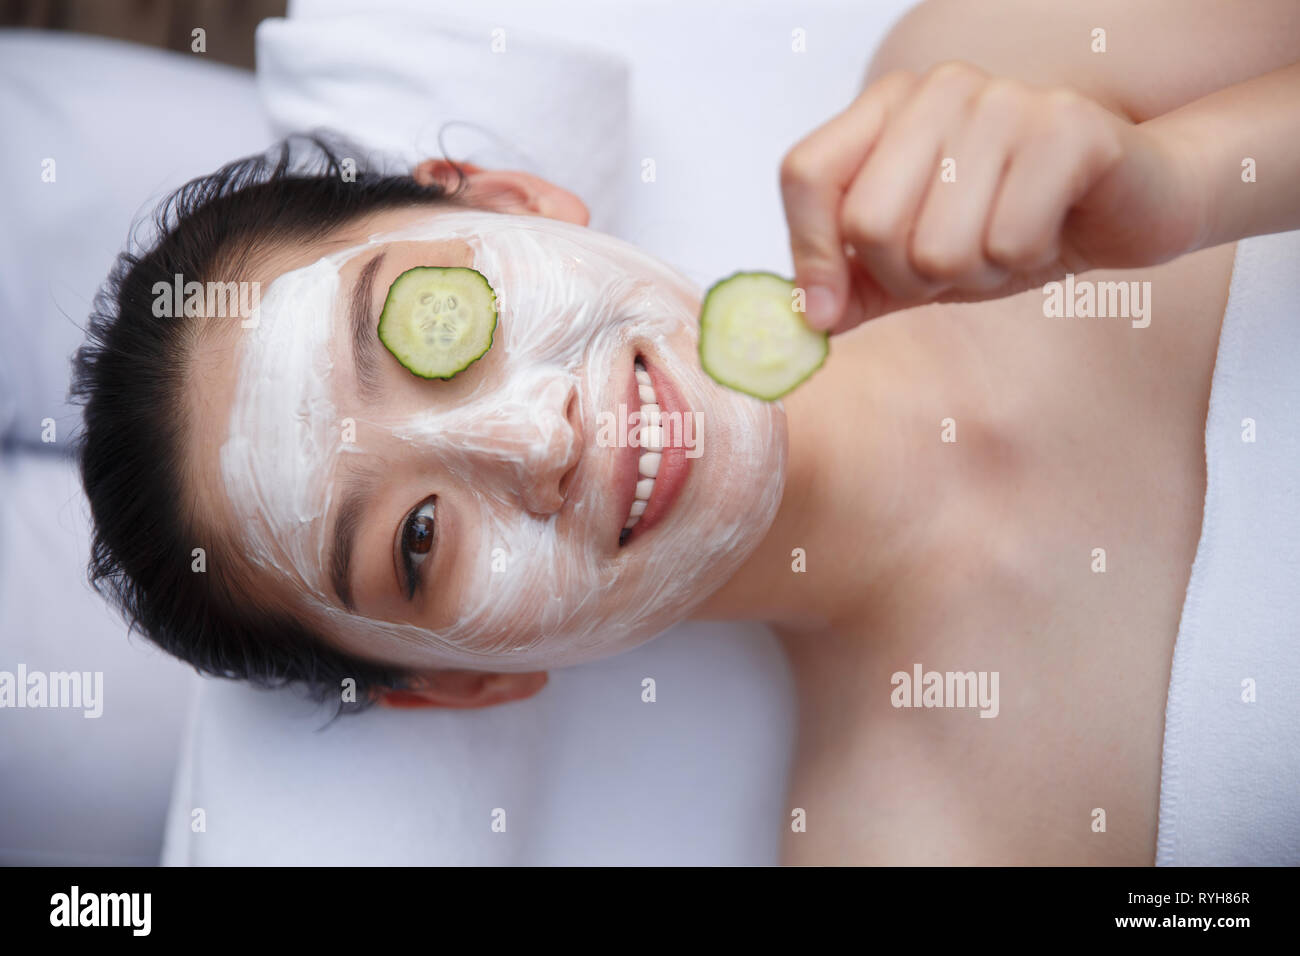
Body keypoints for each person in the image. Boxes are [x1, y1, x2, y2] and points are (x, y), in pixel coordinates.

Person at [72, 0, 1298, 863]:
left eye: (429, 326)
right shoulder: (919, 846)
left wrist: (1192, 182)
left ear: (508, 200)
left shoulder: (988, 65)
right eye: (418, 536)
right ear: (461, 683)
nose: (532, 439)